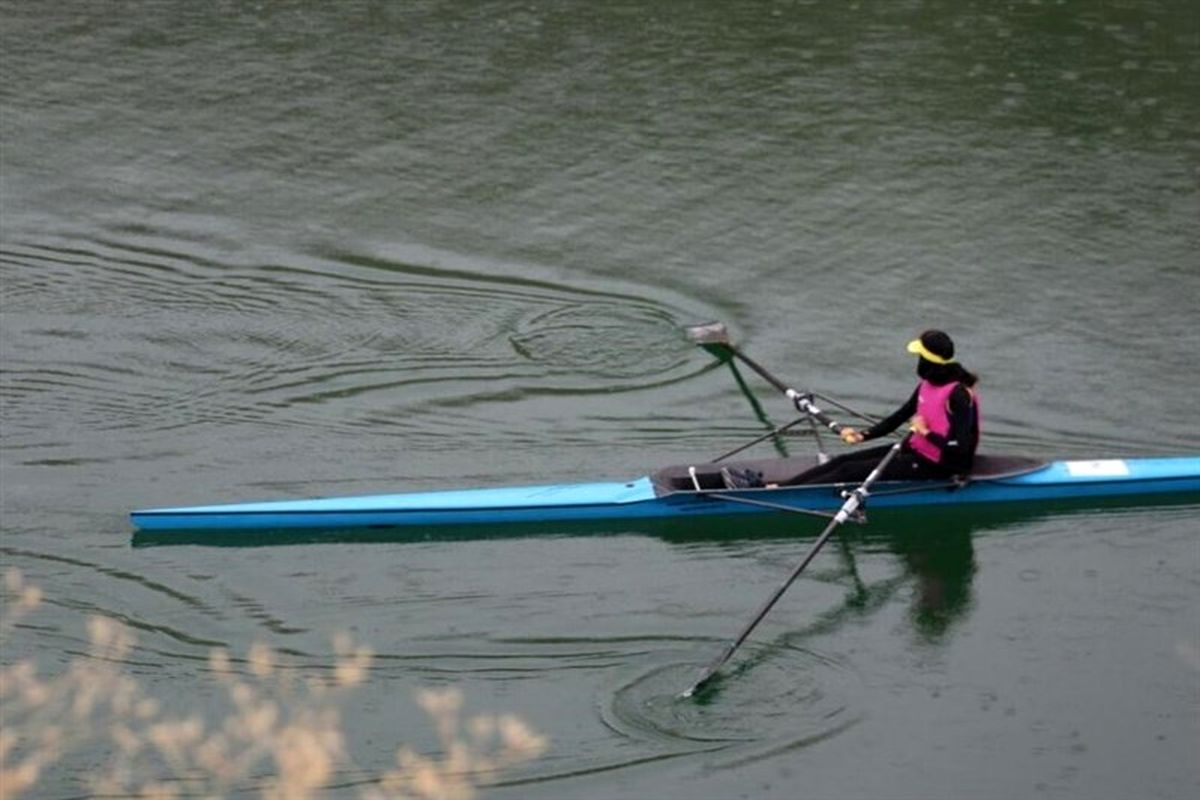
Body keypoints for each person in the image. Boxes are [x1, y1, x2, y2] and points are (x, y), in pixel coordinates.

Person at [786, 329, 980, 485]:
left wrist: (925, 432)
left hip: (940, 466)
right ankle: (780, 488)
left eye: (920, 356)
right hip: (916, 451)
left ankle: (785, 498)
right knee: (842, 461)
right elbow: (898, 418)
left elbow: (960, 447)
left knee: (848, 472)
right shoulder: (927, 384)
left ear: (928, 360)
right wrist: (864, 435)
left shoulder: (958, 395)